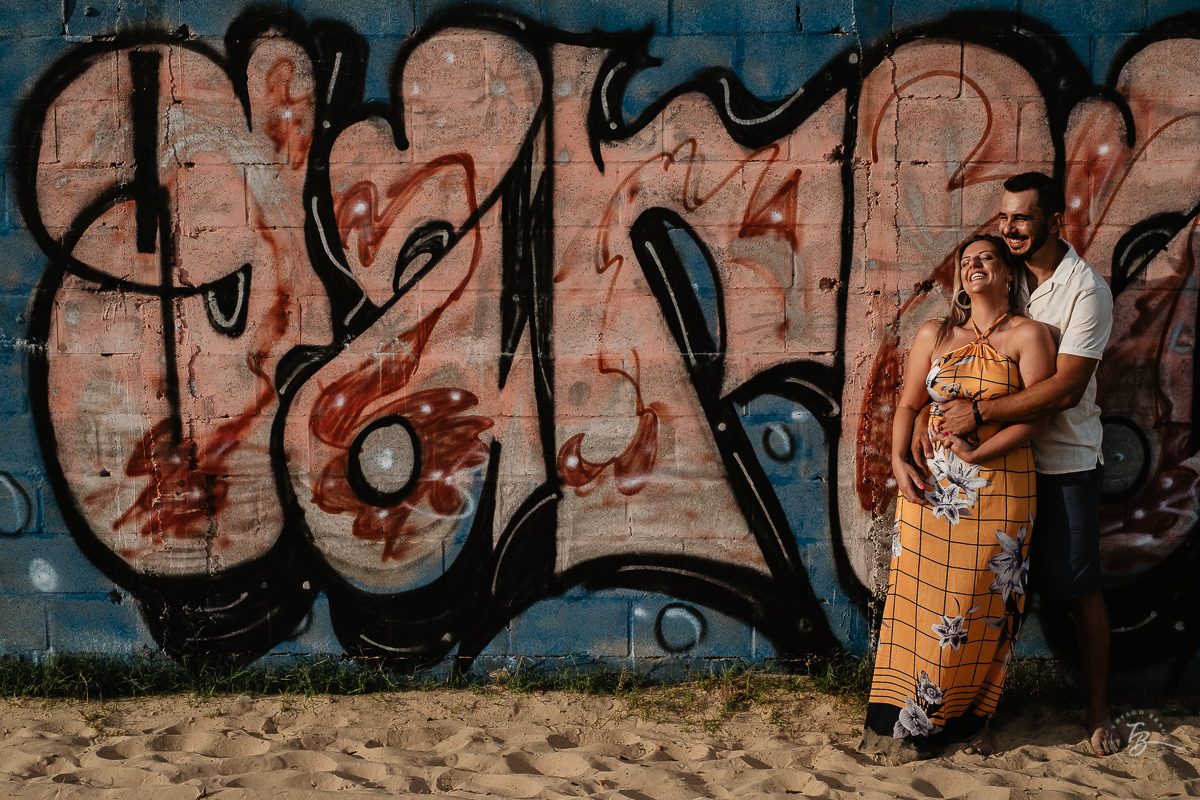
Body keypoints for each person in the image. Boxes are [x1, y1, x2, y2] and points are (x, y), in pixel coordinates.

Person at [931, 172, 1119, 756]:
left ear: (1054, 221)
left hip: (1061, 461)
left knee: (1078, 588)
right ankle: (981, 718)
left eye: (1023, 218)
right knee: (990, 593)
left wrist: (978, 412)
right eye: (1005, 217)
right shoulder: (1005, 280)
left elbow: (1065, 389)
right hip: (994, 470)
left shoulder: (1083, 290)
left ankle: (1097, 712)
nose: (1010, 227)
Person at [860, 233, 1056, 762]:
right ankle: (909, 719)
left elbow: (1038, 416)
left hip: (1001, 490)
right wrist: (899, 460)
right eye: (966, 261)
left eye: (985, 258)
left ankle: (972, 721)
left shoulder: (1027, 335)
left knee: (979, 607)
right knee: (922, 605)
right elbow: (907, 405)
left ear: (1008, 272)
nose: (973, 267)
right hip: (931, 493)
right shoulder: (936, 333)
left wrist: (978, 454)